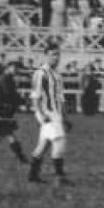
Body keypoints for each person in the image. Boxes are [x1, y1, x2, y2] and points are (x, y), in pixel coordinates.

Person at [28, 41, 72, 185]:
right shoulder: (41, 73)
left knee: (43, 146)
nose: (56, 58)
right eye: (53, 55)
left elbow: (61, 97)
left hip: (57, 114)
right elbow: (35, 95)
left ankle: (32, 176)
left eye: (58, 55)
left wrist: (65, 117)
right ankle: (60, 178)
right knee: (60, 143)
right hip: (48, 113)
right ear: (46, 56)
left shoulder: (57, 75)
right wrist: (41, 114)